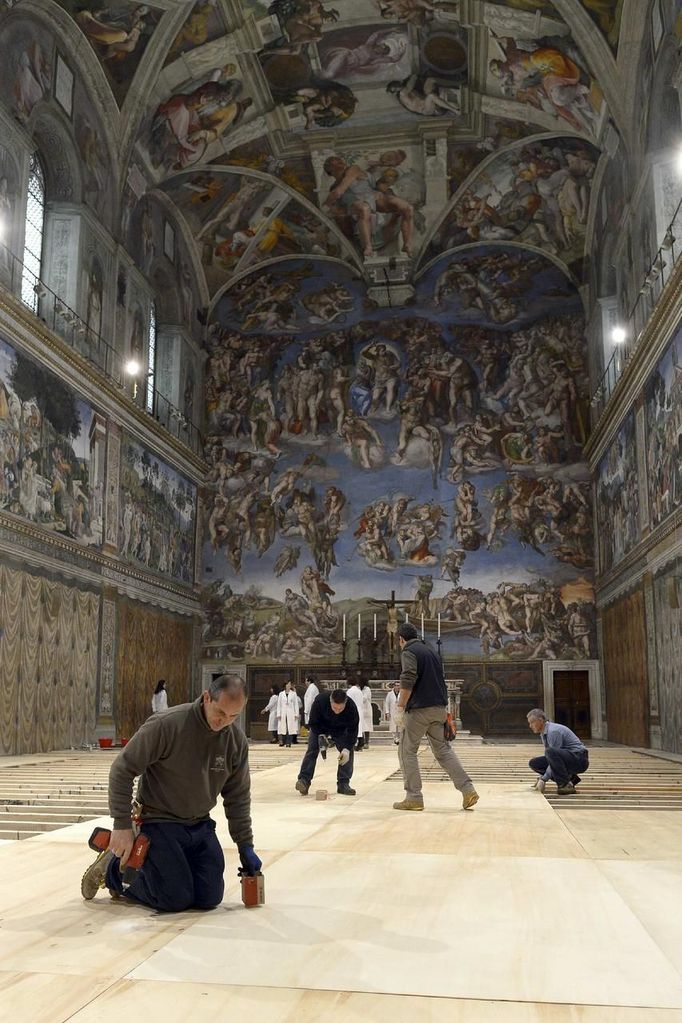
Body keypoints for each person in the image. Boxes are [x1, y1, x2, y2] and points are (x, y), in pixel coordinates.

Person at [80, 674, 262, 910]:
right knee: (174, 899)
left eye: (233, 716)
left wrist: (245, 845)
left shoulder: (235, 741)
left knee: (209, 898)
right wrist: (122, 825)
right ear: (207, 698)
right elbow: (122, 769)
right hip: (159, 821)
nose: (224, 722)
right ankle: (113, 869)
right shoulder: (168, 724)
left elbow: (237, 797)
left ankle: (162, 869)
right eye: (220, 712)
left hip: (200, 824)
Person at [393, 622, 478, 811]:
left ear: (401, 639)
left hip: (419, 710)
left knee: (407, 751)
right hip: (439, 707)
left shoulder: (409, 651)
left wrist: (400, 707)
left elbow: (408, 677)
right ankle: (468, 790)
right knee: (444, 751)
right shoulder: (431, 651)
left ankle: (413, 797)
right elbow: (439, 680)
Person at [295, 689, 359, 796]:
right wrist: (320, 735)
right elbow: (313, 722)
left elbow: (353, 730)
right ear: (330, 701)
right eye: (335, 708)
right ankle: (304, 780)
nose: (337, 711)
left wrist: (347, 748)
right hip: (320, 728)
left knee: (348, 752)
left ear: (345, 702)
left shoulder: (351, 707)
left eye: (340, 709)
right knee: (312, 750)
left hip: (340, 729)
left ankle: (343, 783)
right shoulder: (320, 700)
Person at [527, 708, 589, 794]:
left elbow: (552, 755)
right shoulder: (543, 733)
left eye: (532, 722)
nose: (530, 726)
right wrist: (541, 777)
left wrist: (543, 779)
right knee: (534, 763)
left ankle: (565, 785)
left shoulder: (553, 732)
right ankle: (571, 779)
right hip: (568, 758)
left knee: (550, 752)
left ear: (540, 720)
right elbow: (551, 759)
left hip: (579, 759)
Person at [277, 679, 300, 747]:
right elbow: (279, 704)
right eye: (288, 684)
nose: (289, 685)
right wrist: (278, 714)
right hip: (283, 712)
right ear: (285, 685)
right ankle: (283, 741)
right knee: (283, 727)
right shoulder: (281, 694)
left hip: (291, 712)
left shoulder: (293, 694)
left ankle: (288, 742)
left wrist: (296, 714)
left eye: (290, 684)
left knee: (290, 728)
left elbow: (296, 704)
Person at [346, 677, 364, 750]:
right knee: (359, 728)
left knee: (353, 728)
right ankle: (361, 744)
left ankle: (354, 744)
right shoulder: (359, 691)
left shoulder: (350, 691)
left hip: (353, 710)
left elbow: (348, 701)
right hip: (360, 709)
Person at [359, 679, 374, 748]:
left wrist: (357, 698)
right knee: (361, 727)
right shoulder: (359, 689)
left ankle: (366, 742)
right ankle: (361, 742)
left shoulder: (367, 689)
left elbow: (364, 698)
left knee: (367, 727)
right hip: (361, 709)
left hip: (366, 710)